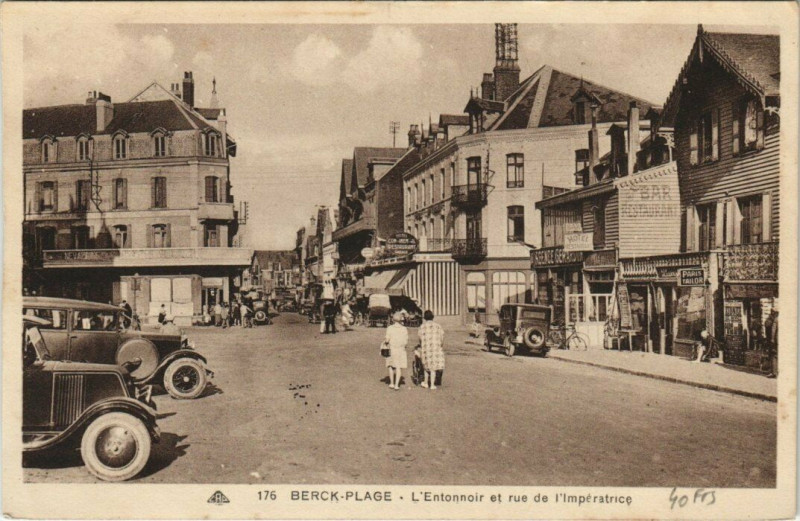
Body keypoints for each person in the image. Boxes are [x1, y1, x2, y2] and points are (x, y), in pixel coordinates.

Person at [417, 310, 446, 389]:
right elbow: (442, 337)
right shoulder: (438, 326)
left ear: (424, 317)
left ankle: (426, 382)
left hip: (426, 348)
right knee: (433, 367)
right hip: (436, 347)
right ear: (433, 317)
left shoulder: (422, 326)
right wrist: (440, 345)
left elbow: (420, 338)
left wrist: (421, 344)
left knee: (426, 366)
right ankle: (432, 385)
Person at [383, 312, 408, 390]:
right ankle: (397, 385)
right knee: (398, 367)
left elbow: (387, 340)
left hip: (392, 349)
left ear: (393, 319)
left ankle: (391, 383)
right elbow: (405, 341)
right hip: (401, 349)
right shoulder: (404, 329)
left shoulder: (390, 328)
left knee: (390, 366)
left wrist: (385, 342)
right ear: (401, 319)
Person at [765, 305, 779, 378]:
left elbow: (772, 330)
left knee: (773, 356)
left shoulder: (774, 320)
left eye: (772, 311)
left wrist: (772, 339)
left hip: (774, 341)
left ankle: (774, 372)